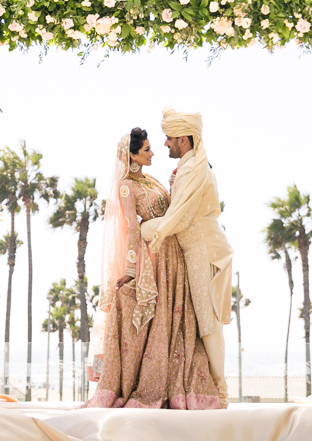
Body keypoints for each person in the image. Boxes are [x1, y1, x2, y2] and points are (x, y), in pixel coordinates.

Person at [84, 128, 220, 409]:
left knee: (182, 318)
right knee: (158, 316)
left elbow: (173, 210)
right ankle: (147, 387)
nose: (153, 152)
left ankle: (184, 387)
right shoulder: (126, 186)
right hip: (156, 256)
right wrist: (133, 271)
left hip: (175, 253)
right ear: (132, 155)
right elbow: (132, 230)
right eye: (146, 149)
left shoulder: (151, 180)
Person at [141, 108, 233, 409]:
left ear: (183, 138)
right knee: (202, 324)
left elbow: (178, 218)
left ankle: (220, 392)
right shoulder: (188, 165)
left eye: (168, 138)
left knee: (208, 324)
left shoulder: (194, 168)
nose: (164, 143)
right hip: (192, 251)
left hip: (204, 251)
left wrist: (144, 229)